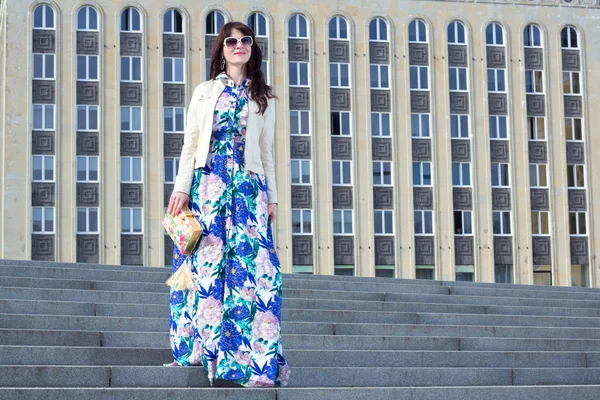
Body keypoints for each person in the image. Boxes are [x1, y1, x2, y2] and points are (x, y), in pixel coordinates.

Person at [164, 21, 290, 388]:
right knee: (202, 270)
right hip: (208, 188)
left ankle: (253, 364)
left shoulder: (265, 97)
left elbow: (266, 152)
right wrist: (181, 188)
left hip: (249, 191)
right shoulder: (205, 92)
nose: (239, 46)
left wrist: (273, 198)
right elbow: (190, 145)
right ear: (221, 49)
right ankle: (196, 350)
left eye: (245, 40)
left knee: (255, 273)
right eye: (231, 41)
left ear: (252, 49)